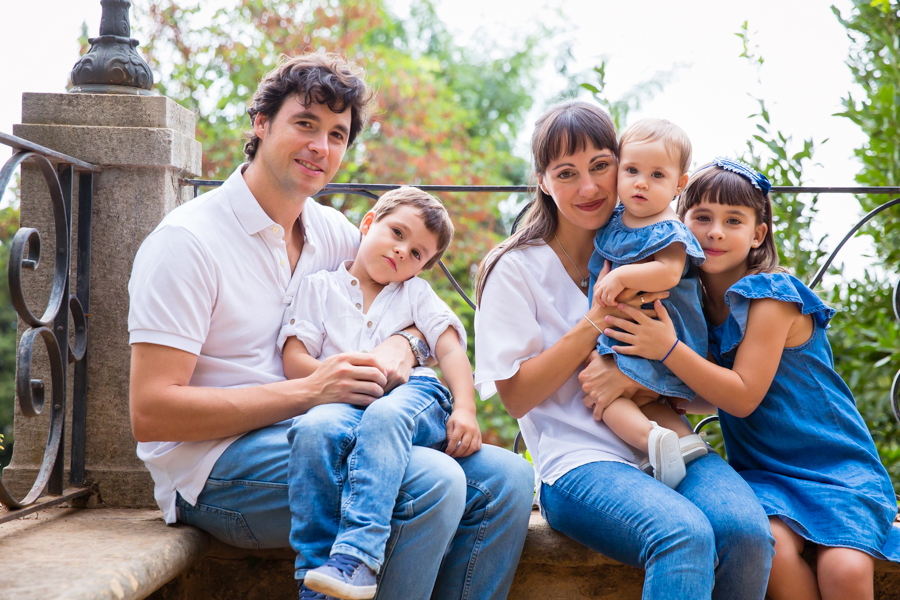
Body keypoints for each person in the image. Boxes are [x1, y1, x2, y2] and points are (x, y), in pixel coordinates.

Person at [128, 52, 533, 600]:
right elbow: (151, 413)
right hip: (216, 469)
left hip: (330, 429)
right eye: (305, 124)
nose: (322, 147)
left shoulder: (334, 233)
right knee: (430, 483)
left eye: (337, 134)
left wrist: (406, 343)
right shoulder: (188, 243)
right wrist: (309, 391)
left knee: (507, 482)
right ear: (261, 123)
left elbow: (409, 310)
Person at [474, 100, 775, 600]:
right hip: (578, 464)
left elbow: (695, 385)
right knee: (682, 536)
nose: (589, 188)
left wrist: (639, 378)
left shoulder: (649, 240)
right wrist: (595, 320)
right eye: (566, 173)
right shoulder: (514, 269)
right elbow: (516, 397)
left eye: (600, 166)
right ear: (543, 181)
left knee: (747, 533)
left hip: (670, 438)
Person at [602, 157, 900, 600]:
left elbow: (742, 397)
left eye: (733, 220)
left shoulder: (772, 298)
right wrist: (640, 384)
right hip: (764, 471)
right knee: (772, 553)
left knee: (844, 569)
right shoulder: (697, 306)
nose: (715, 232)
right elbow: (709, 389)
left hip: (832, 466)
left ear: (757, 234)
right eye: (701, 218)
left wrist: (666, 348)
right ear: (680, 225)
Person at [280, 187, 481, 599]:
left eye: (418, 254)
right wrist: (336, 376)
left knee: (386, 418)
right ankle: (319, 576)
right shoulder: (320, 287)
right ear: (369, 222)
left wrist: (465, 408)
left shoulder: (414, 295)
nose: (402, 251)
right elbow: (295, 358)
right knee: (313, 431)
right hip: (343, 400)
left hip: (412, 395)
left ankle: (359, 557)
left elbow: (448, 349)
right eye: (397, 233)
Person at [585, 117, 707, 488]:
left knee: (606, 403)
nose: (641, 182)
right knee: (644, 401)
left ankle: (651, 441)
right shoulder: (618, 220)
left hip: (654, 337)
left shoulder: (669, 228)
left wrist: (622, 276)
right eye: (633, 170)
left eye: (657, 176)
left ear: (679, 185)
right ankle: (683, 442)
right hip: (628, 334)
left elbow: (669, 273)